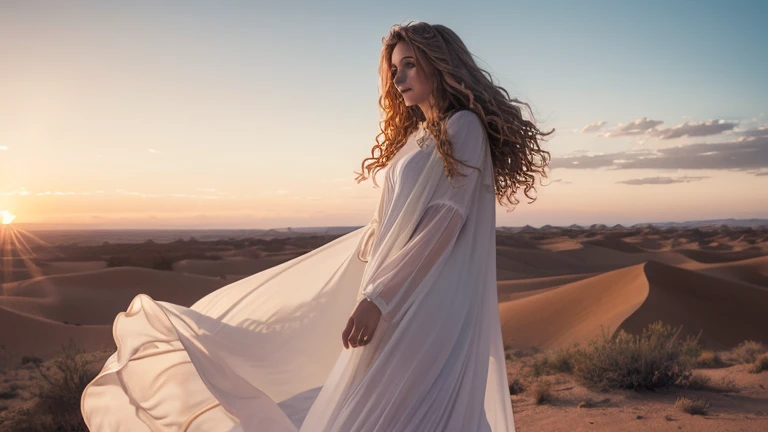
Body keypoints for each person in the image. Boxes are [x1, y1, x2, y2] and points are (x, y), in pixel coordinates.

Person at [80, 21, 553, 432]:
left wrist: (379, 298)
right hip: (392, 293)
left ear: (439, 64)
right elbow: (389, 226)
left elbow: (443, 225)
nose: (399, 77)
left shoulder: (463, 126)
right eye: (394, 68)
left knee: (393, 412)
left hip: (425, 301)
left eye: (409, 64)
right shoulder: (418, 136)